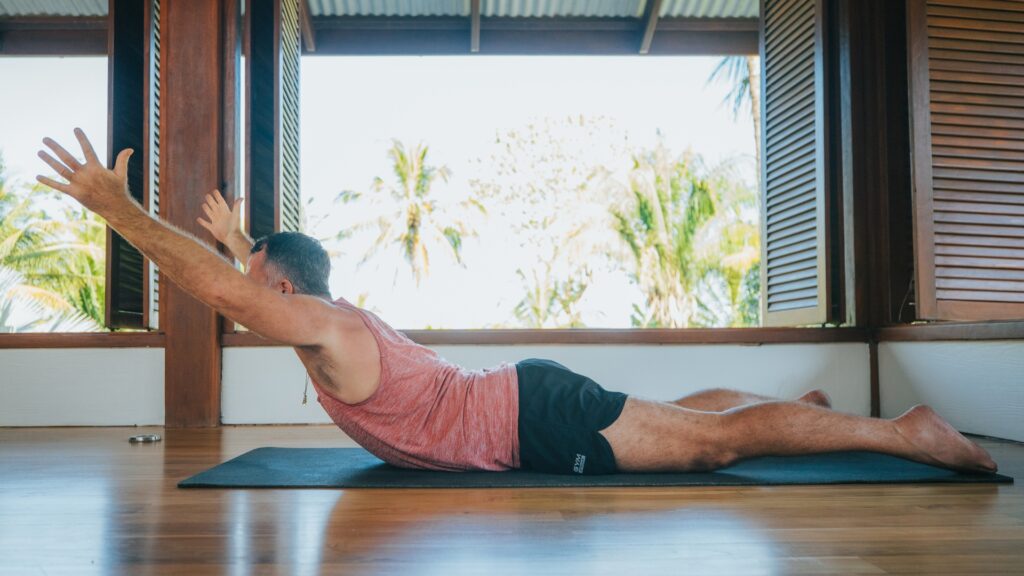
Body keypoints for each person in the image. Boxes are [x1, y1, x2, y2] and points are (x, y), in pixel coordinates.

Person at [37, 129, 998, 475]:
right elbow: (258, 278)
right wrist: (242, 243)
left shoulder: (322, 325)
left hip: (531, 420)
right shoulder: (324, 314)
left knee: (713, 449)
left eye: (256, 282)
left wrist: (120, 211)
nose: (248, 294)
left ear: (279, 291)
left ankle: (901, 433)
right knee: (682, 423)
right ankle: (809, 416)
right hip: (526, 399)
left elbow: (234, 293)